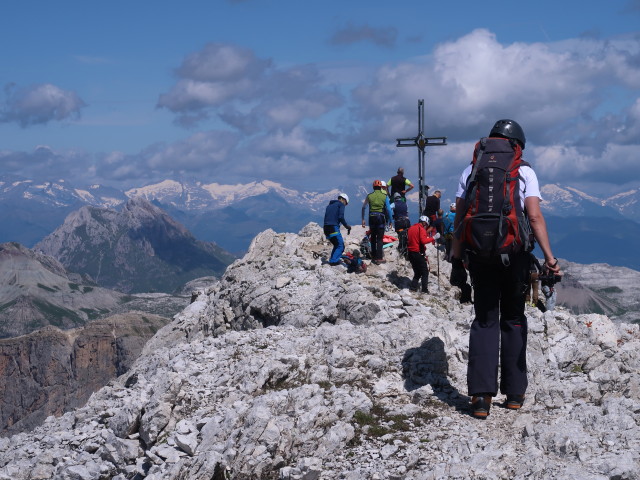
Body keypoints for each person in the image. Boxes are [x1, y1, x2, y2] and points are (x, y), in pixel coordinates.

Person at [451, 119, 562, 419]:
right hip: (515, 257)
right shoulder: (523, 170)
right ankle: (514, 393)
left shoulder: (471, 170)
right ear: (517, 145)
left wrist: (456, 257)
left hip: (478, 255)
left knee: (485, 318)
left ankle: (480, 397)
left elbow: (461, 215)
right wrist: (550, 258)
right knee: (513, 317)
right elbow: (535, 217)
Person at [362, 180, 393, 264]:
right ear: (380, 187)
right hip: (380, 218)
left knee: (373, 237)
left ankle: (373, 256)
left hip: (371, 217)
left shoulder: (369, 196)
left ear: (373, 187)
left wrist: (363, 219)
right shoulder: (384, 196)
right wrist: (390, 220)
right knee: (379, 238)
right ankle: (379, 258)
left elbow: (364, 207)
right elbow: (389, 210)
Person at [406, 215, 437, 293]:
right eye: (426, 224)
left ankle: (413, 288)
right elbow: (423, 241)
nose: (426, 226)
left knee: (417, 271)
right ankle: (424, 290)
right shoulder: (421, 229)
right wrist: (434, 238)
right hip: (418, 253)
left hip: (410, 252)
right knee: (424, 272)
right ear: (424, 223)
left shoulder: (411, 228)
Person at [323, 193, 351, 265]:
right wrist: (347, 226)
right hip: (333, 227)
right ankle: (333, 262)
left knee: (336, 244)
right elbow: (340, 217)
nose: (345, 205)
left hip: (326, 228)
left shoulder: (329, 206)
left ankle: (332, 259)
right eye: (346, 203)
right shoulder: (341, 204)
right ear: (343, 200)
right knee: (341, 246)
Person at [391, 192, 411, 257]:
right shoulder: (405, 204)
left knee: (400, 235)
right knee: (407, 235)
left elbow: (388, 209)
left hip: (399, 222)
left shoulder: (393, 204)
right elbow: (407, 213)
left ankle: (401, 249)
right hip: (407, 221)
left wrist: (392, 217)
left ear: (394, 198)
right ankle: (407, 249)